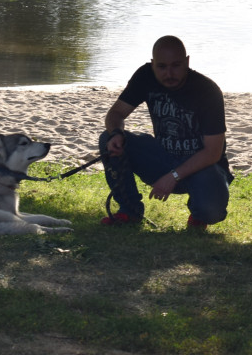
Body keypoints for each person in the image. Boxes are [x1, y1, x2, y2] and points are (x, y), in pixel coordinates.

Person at [97, 36, 233, 229]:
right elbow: (116, 113)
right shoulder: (145, 76)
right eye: (161, 67)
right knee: (107, 139)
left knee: (211, 212)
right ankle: (129, 211)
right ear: (153, 64)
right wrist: (116, 133)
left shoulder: (207, 90)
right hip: (163, 157)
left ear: (187, 62)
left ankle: (198, 212)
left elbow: (213, 152)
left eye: (176, 65)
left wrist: (173, 176)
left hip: (204, 167)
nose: (169, 73)